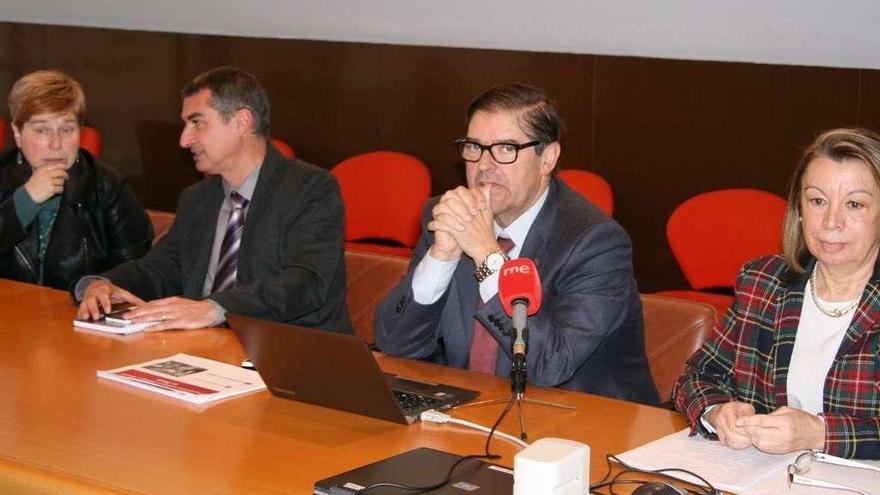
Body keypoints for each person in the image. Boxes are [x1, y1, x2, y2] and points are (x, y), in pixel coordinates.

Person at [374, 83, 658, 404]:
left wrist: (487, 255)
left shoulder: (595, 242)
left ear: (547, 157)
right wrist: (442, 257)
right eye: (474, 147)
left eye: (506, 148)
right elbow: (396, 343)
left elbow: (550, 366)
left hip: (582, 423)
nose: (484, 165)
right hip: (474, 411)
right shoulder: (452, 215)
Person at [76, 66, 352, 333]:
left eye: (197, 123)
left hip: (291, 353)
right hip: (207, 348)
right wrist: (106, 283)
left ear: (241, 122)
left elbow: (305, 285)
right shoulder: (198, 198)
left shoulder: (311, 189)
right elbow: (162, 268)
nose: (184, 140)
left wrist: (216, 309)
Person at [674, 128, 880, 459]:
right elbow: (697, 377)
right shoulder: (765, 281)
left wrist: (819, 433)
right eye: (817, 201)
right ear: (799, 209)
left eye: (854, 204)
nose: (831, 221)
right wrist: (717, 411)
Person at [0, 70, 153, 290]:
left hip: (76, 316)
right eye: (42, 130)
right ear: (17, 132)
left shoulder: (108, 186)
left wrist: (95, 289)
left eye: (67, 129)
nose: (56, 143)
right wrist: (25, 201)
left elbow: (141, 269)